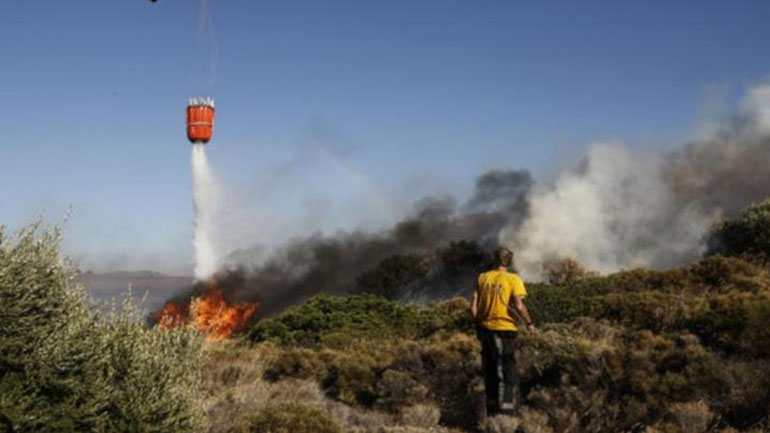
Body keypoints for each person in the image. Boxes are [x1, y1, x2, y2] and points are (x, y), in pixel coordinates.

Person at [470, 247, 534, 417]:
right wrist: (529, 323)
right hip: (503, 331)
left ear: (494, 259)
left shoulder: (483, 277)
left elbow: (473, 306)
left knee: (490, 370)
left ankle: (492, 412)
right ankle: (506, 413)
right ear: (509, 262)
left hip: (485, 331)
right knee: (506, 372)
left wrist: (479, 323)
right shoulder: (513, 279)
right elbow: (519, 305)